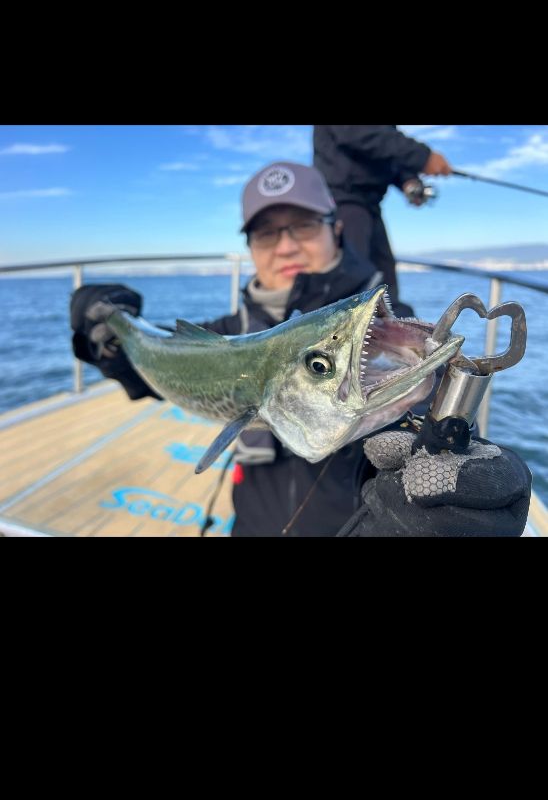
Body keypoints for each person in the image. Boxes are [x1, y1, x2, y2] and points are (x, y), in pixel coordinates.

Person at [70, 160, 531, 538]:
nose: (286, 244)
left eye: (304, 224)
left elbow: (427, 423)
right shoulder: (229, 331)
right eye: (267, 232)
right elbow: (147, 372)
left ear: (335, 228)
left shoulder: (380, 328)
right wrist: (106, 338)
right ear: (250, 247)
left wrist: (456, 485)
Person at [313, 125, 453, 312]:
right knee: (348, 293)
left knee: (386, 291)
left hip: (370, 206)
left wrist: (407, 180)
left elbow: (382, 154)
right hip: (343, 203)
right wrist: (423, 156)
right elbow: (360, 133)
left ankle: (395, 336)